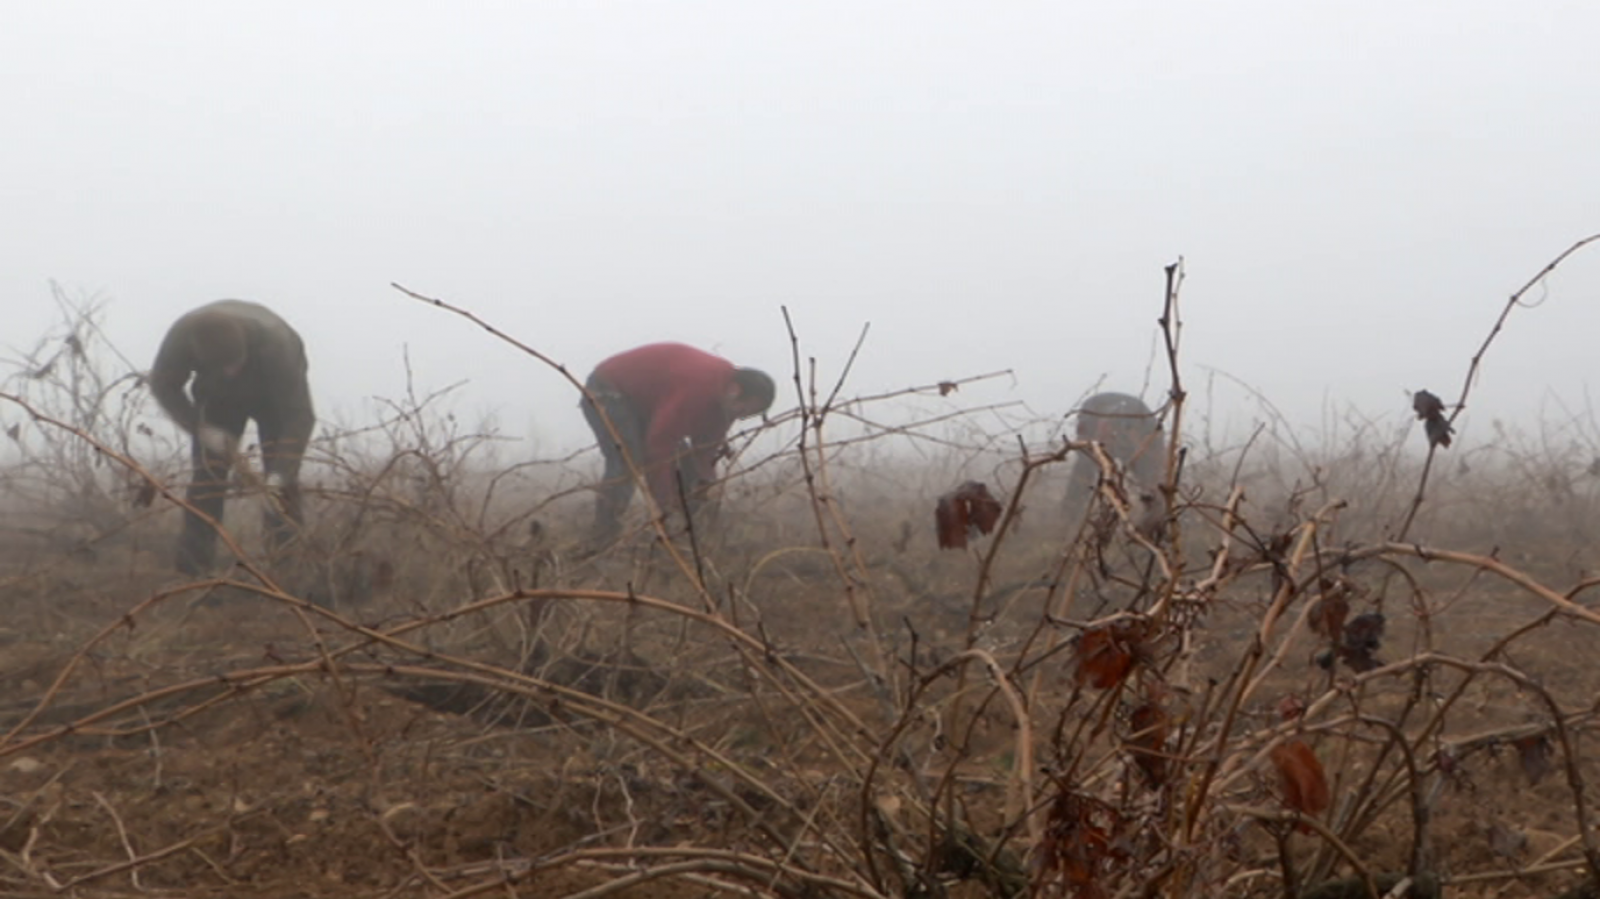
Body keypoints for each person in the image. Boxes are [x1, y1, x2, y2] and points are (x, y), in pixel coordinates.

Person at [148, 300, 315, 574]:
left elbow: (299, 416)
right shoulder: (182, 336)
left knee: (281, 489)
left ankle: (288, 568)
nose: (230, 372)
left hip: (272, 396)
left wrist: (279, 475)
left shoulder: (278, 346)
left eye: (234, 365)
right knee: (207, 478)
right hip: (217, 398)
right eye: (222, 366)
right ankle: (193, 571)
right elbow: (163, 385)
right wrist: (200, 429)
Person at [580, 342, 775, 544]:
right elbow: (659, 448)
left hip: (646, 403)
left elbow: (704, 454)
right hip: (608, 388)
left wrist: (705, 494)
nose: (740, 418)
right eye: (743, 411)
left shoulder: (725, 404)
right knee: (628, 458)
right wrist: (665, 505)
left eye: (747, 415)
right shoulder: (698, 387)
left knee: (684, 461)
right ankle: (603, 538)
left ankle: (698, 537)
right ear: (735, 390)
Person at [1063, 391, 1166, 535]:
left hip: (1136, 433)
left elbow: (1154, 475)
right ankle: (1066, 521)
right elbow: (1085, 456)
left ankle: (1154, 528)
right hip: (1101, 420)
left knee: (1152, 487)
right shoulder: (1092, 419)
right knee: (1082, 473)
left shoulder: (1148, 436)